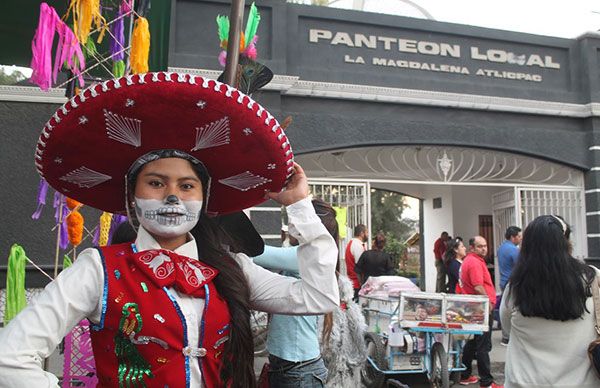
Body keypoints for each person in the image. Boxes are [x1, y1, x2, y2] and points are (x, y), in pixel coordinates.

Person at [0, 72, 339, 387]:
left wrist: (298, 205)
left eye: (187, 186)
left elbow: (319, 296)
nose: (173, 196)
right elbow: (9, 359)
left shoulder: (231, 268)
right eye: (156, 183)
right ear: (132, 197)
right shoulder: (99, 270)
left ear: (205, 198)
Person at [500, 215, 599, 388]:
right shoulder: (593, 278)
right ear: (567, 242)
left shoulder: (516, 286)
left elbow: (507, 328)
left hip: (524, 382)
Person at [251, 199, 335, 388]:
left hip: (299, 369)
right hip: (291, 366)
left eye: (295, 218)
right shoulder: (305, 254)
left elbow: (257, 254)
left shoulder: (303, 255)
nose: (290, 224)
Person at [459, 236, 502, 388]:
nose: (484, 249)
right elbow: (478, 286)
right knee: (483, 345)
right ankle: (487, 382)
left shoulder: (471, 261)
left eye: (485, 246)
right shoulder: (474, 263)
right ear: (472, 248)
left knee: (472, 342)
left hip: (474, 306)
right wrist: (488, 303)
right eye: (479, 246)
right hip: (480, 308)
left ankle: (464, 374)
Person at [497, 226, 521, 345]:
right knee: (512, 309)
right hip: (512, 281)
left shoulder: (501, 248)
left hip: (503, 280)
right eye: (519, 236)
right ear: (513, 237)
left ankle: (504, 334)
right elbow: (520, 265)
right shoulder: (514, 250)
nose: (520, 239)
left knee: (504, 307)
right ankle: (508, 336)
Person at [344, 224, 368, 300]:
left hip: (352, 282)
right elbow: (360, 267)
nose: (367, 235)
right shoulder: (357, 246)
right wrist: (362, 283)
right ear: (362, 233)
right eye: (366, 232)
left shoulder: (351, 243)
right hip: (357, 284)